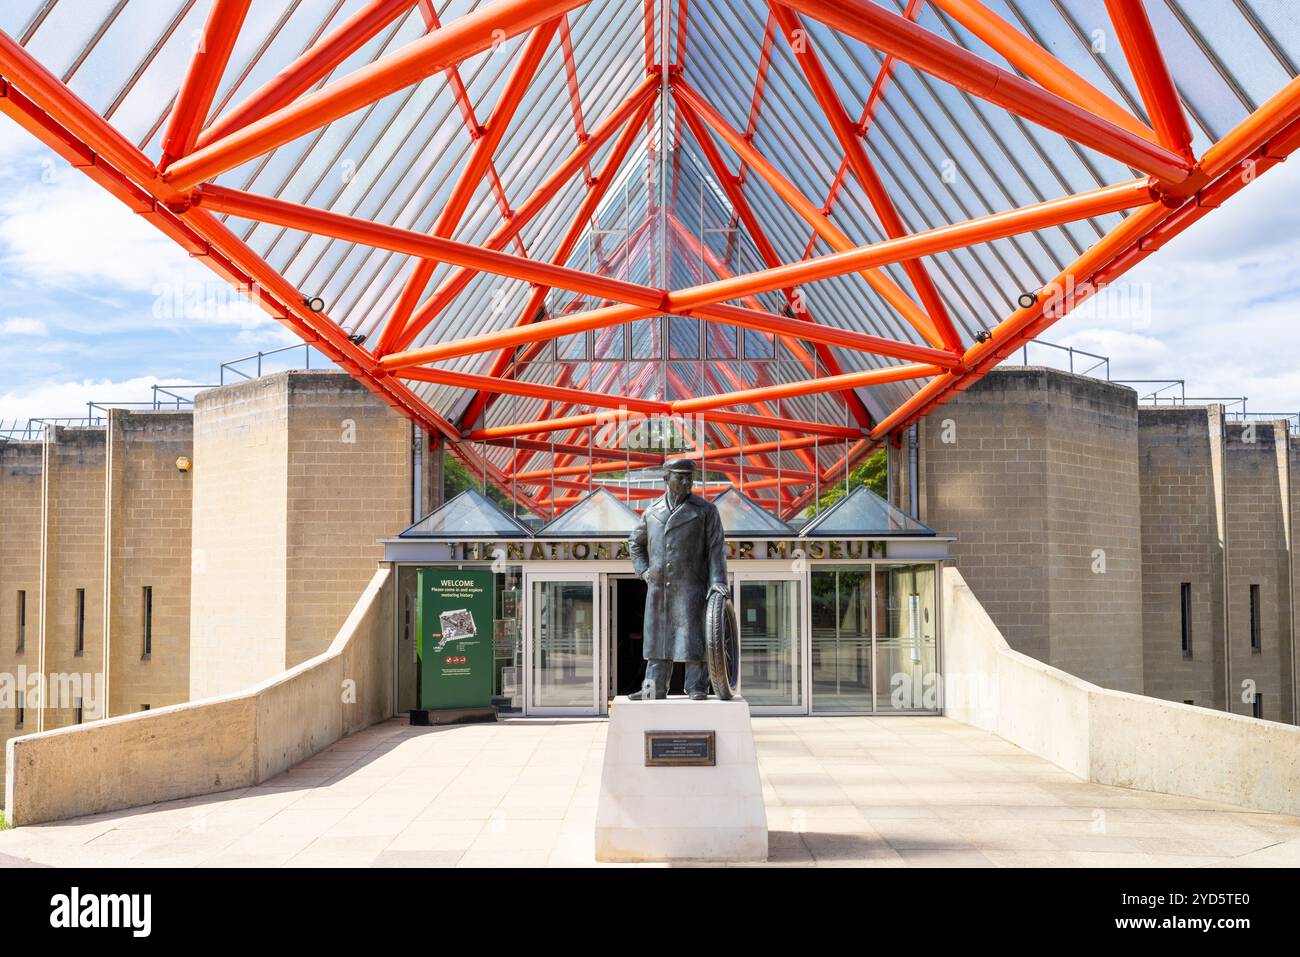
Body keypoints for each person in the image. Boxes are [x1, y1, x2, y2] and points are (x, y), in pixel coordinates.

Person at [627, 458, 729, 700]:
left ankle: (697, 686)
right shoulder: (651, 513)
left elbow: (716, 549)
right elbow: (635, 543)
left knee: (693, 639)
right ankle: (653, 687)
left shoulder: (705, 511)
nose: (687, 482)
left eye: (690, 477)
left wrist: (718, 583)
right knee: (657, 643)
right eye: (680, 476)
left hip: (691, 586)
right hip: (659, 589)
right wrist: (644, 571)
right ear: (666, 479)